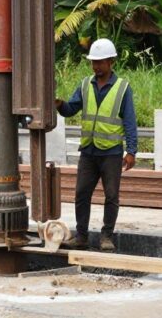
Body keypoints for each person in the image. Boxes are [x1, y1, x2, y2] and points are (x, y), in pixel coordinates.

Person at [55, 38, 137, 253]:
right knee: (82, 194)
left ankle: (106, 236)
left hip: (111, 153)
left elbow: (130, 121)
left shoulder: (122, 88)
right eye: (93, 62)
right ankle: (81, 236)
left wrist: (131, 151)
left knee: (111, 196)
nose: (95, 66)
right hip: (88, 151)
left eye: (100, 62)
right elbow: (71, 109)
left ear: (111, 62)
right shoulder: (85, 84)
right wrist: (60, 105)